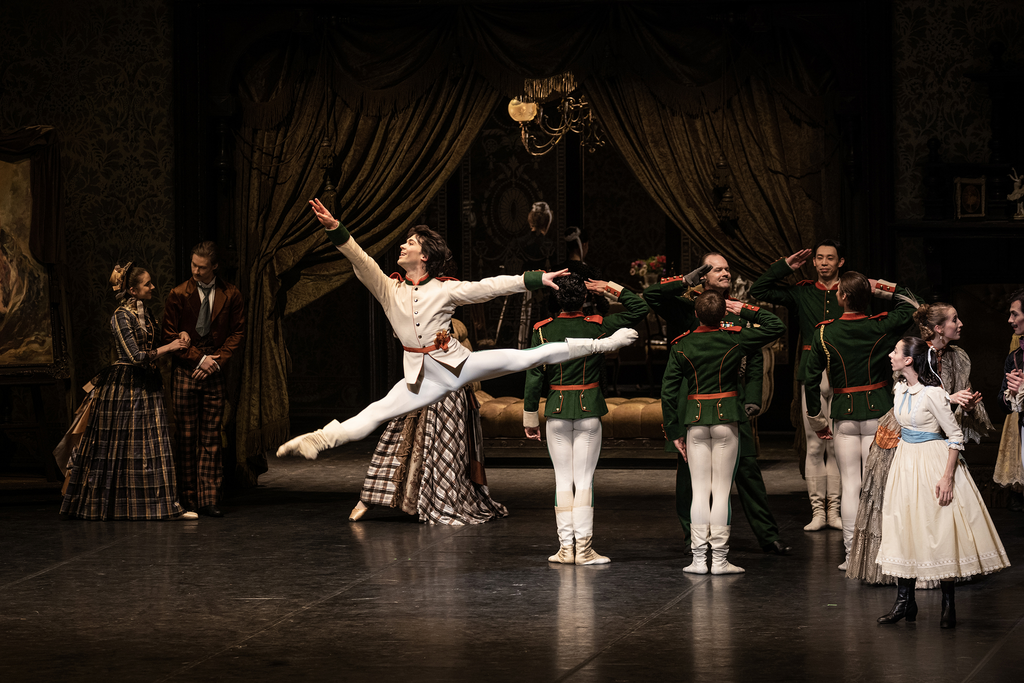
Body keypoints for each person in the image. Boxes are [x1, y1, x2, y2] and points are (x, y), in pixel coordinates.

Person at [277, 199, 638, 459]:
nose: (402, 246)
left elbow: (491, 286)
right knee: (375, 412)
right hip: (422, 379)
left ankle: (603, 344)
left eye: (411, 243)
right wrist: (335, 229)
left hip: (458, 364)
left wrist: (537, 278)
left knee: (528, 357)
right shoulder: (389, 288)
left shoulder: (445, 289)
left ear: (425, 257)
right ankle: (319, 439)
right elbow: (360, 258)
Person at [646, 253, 791, 555]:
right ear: (703, 275)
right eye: (717, 269)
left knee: (748, 468)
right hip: (694, 402)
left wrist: (752, 398)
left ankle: (767, 535)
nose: (725, 273)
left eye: (727, 268)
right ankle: (693, 538)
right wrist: (685, 281)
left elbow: (752, 360)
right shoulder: (692, 307)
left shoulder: (737, 308)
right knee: (690, 477)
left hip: (732, 401)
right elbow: (651, 296)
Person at [847, 302, 993, 584]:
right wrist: (946, 399)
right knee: (899, 506)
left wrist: (966, 404)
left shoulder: (958, 357)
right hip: (904, 432)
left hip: (935, 436)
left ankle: (939, 570)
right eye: (954, 319)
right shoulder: (910, 350)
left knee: (933, 506)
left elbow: (958, 398)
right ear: (939, 328)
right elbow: (906, 389)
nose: (960, 324)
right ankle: (897, 574)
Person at [875, 337, 1010, 628]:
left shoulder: (933, 394)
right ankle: (904, 601)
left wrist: (947, 477)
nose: (890, 355)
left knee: (940, 525)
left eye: (895, 352)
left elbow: (955, 437)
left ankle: (948, 605)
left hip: (934, 461)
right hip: (906, 461)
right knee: (904, 524)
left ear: (909, 360)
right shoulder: (899, 389)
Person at [522, 271, 649, 565]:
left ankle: (566, 548)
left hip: (555, 409)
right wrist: (609, 288)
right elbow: (639, 309)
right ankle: (585, 549)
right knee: (584, 481)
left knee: (563, 481)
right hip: (589, 408)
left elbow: (533, 377)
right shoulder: (598, 326)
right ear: (585, 298)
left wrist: (530, 417)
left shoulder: (542, 330)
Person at [60, 264, 197, 521]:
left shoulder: (146, 313)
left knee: (154, 448)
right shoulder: (120, 316)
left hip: (148, 385)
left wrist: (181, 334)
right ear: (133, 290)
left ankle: (164, 507)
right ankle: (113, 507)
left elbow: (156, 342)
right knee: (123, 449)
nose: (153, 287)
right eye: (147, 284)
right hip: (126, 387)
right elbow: (135, 356)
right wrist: (170, 347)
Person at [804, 272, 917, 570]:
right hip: (879, 413)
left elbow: (810, 379)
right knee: (878, 485)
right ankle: (879, 552)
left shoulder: (824, 333)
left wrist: (817, 419)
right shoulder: (879, 326)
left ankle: (853, 553)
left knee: (851, 484)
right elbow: (910, 303)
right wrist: (879, 286)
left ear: (841, 296)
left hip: (843, 416)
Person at [349, 320, 508, 525]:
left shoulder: (444, 316)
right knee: (400, 436)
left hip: (449, 385)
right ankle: (372, 499)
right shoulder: (415, 313)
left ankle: (440, 498)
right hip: (422, 379)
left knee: (445, 447)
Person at [751, 240, 846, 532]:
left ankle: (836, 510)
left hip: (844, 371)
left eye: (830, 258)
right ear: (813, 262)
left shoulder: (851, 289)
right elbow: (759, 291)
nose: (824, 263)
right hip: (812, 373)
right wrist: (785, 266)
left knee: (840, 446)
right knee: (816, 444)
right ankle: (818, 511)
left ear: (840, 262)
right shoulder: (803, 290)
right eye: (819, 258)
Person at [163, 241, 247, 518]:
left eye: (201, 267)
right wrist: (199, 359)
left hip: (214, 371)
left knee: (211, 437)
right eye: (193, 266)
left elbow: (237, 333)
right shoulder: (178, 294)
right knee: (186, 436)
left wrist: (216, 362)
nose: (196, 272)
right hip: (187, 369)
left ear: (215, 266)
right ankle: (186, 499)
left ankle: (208, 498)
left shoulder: (231, 294)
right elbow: (169, 334)